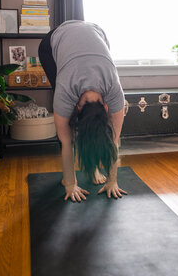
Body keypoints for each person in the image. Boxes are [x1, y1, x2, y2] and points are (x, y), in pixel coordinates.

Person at [38, 20, 127, 202]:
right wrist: (70, 185)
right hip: (52, 43)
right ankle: (68, 176)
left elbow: (114, 140)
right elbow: (66, 141)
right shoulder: (66, 91)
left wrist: (112, 182)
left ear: (106, 107)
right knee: (65, 131)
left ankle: (93, 170)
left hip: (96, 32)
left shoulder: (114, 91)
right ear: (76, 109)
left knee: (98, 133)